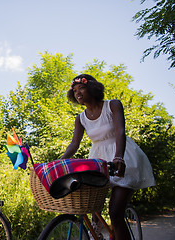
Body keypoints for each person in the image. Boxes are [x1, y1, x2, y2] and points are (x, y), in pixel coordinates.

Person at [61, 74, 155, 240]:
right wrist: (59, 162)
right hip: (99, 161)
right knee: (91, 202)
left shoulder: (112, 105)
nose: (78, 92)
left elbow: (120, 131)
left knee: (115, 212)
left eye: (81, 87)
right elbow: (74, 144)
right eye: (74, 91)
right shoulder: (80, 119)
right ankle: (96, 232)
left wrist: (119, 157)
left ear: (92, 87)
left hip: (123, 156)